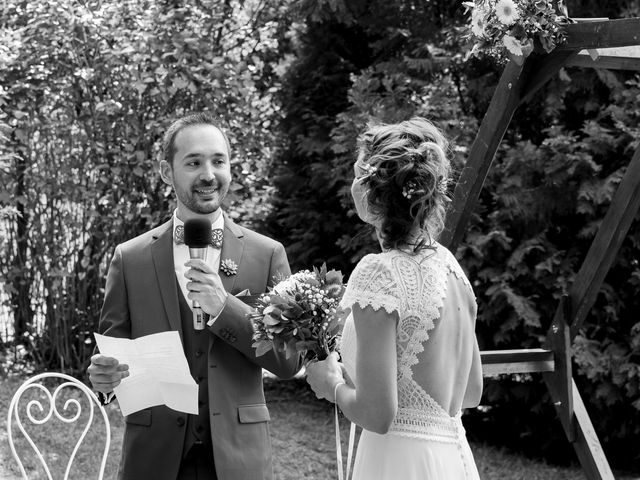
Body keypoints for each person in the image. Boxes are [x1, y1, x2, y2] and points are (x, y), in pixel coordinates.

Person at [87, 112, 302, 480]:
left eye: (219, 161)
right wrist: (103, 378)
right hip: (154, 459)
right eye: (194, 162)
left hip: (239, 459)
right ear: (166, 172)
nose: (208, 174)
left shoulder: (266, 254)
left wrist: (225, 309)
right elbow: (113, 352)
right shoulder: (131, 258)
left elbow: (288, 361)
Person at [305, 117, 483, 479]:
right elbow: (472, 393)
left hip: (400, 462)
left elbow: (377, 415)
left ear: (371, 190)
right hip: (453, 459)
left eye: (358, 174)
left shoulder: (379, 273)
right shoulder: (452, 269)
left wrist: (332, 386)